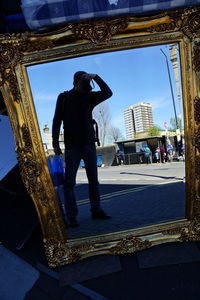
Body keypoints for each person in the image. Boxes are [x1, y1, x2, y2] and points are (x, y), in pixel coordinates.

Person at [52, 71, 113, 227]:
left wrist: (96, 77)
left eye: (87, 83)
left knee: (93, 180)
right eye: (83, 82)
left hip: (88, 144)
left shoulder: (89, 96)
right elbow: (57, 120)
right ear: (75, 82)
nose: (85, 86)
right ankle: (71, 215)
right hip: (72, 146)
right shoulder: (64, 97)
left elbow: (108, 92)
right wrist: (55, 144)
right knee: (69, 183)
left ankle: (96, 210)